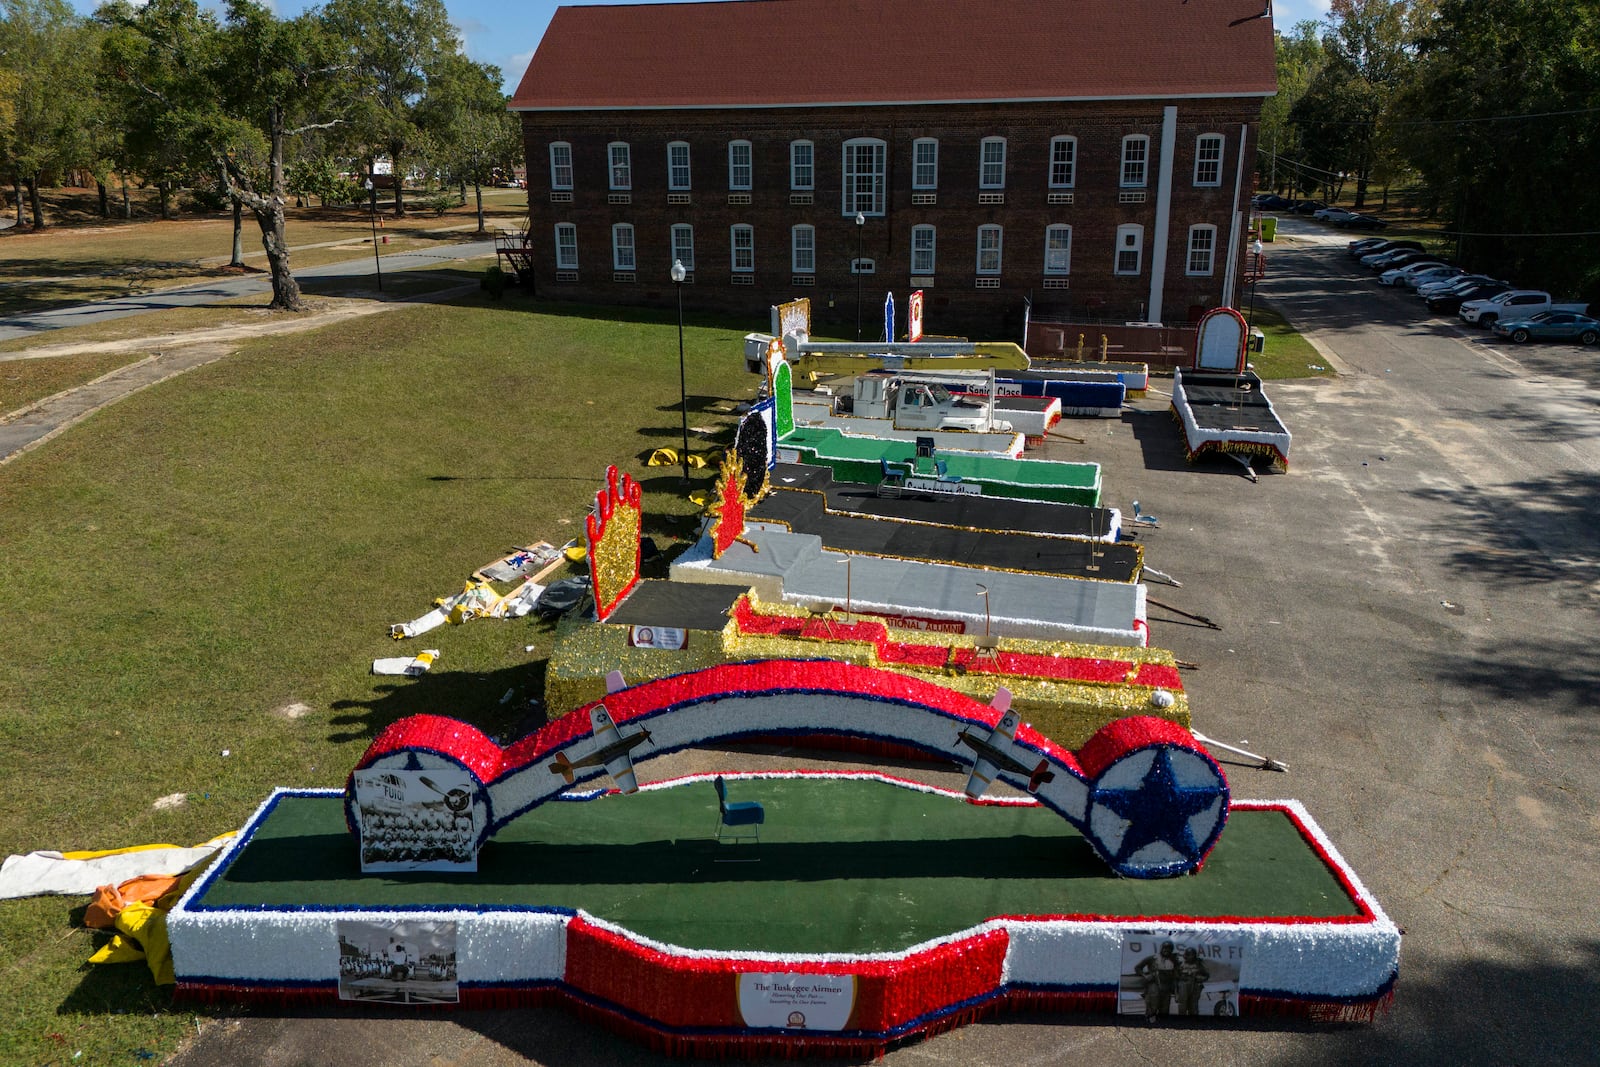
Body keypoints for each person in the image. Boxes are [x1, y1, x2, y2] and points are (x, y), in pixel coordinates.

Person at [1132, 941, 1179, 1021]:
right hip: (1154, 986)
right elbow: (1138, 968)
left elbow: (1177, 975)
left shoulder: (1174, 960)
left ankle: (1162, 1028)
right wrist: (1145, 976)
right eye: (1165, 948)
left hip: (1166, 988)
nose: (1166, 950)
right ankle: (1149, 1026)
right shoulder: (1152, 958)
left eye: (1169, 948)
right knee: (1152, 1008)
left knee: (1164, 1010)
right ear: (1161, 948)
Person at [1176, 947, 1211, 1016]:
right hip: (1183, 986)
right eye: (1189, 955)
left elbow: (1206, 975)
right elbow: (1176, 977)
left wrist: (1200, 979)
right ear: (1186, 955)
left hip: (1195, 986)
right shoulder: (1181, 965)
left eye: (1192, 955)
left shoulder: (1199, 965)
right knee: (1182, 1007)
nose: (1191, 957)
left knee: (1193, 1006)